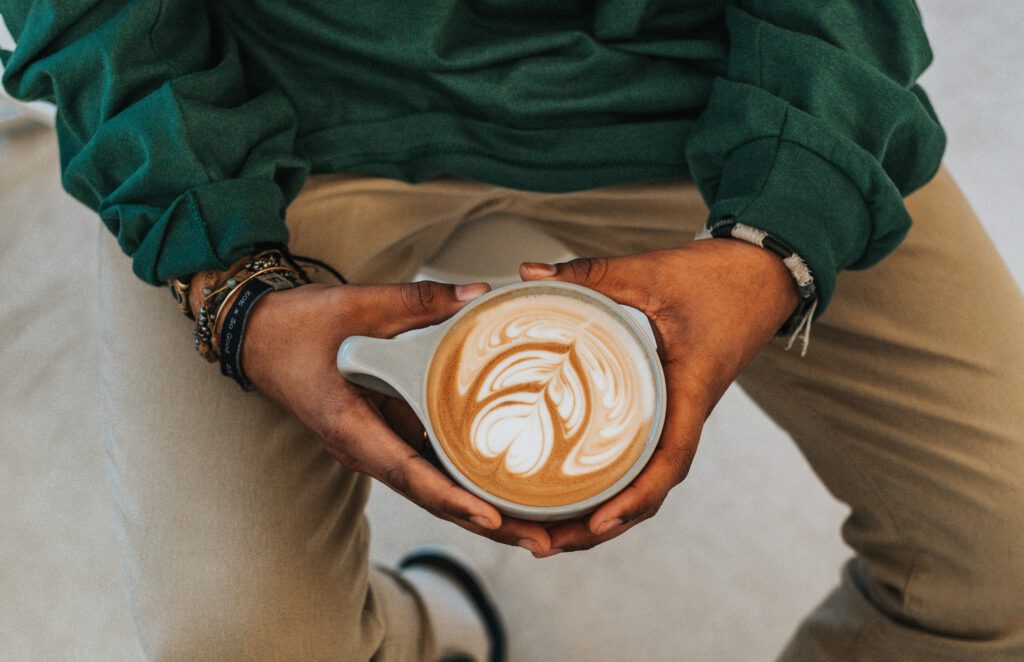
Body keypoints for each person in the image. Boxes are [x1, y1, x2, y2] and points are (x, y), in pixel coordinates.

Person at [2, 1, 1022, 660]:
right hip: (266, 109)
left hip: (699, 86)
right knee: (233, 641)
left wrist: (777, 238)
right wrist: (230, 281)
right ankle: (427, 641)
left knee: (1004, 561)